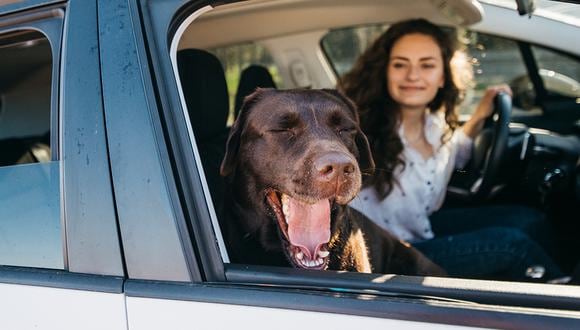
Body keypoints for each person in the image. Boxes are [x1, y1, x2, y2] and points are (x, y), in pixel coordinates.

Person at [340, 18, 563, 282]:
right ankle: (563, 298)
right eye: (400, 64)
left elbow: (454, 154)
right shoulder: (359, 134)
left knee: (528, 219)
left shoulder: (434, 124)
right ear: (384, 72)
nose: (412, 76)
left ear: (443, 76)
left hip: (418, 230)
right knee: (512, 245)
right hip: (385, 256)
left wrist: (479, 117)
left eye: (427, 65)